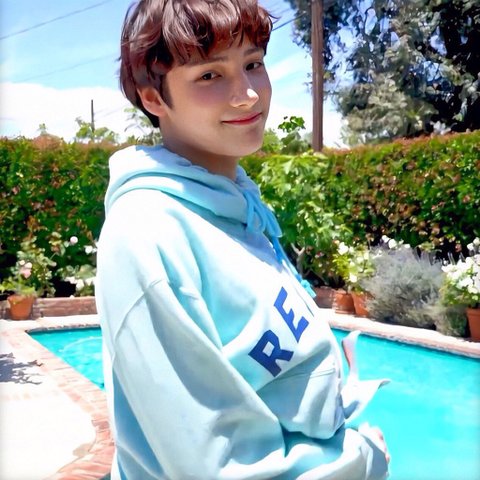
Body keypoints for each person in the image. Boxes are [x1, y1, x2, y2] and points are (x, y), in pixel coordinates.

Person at [96, 1, 390, 478]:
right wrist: (362, 458)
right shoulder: (147, 235)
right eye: (210, 75)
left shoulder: (236, 203)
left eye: (253, 64)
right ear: (154, 99)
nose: (248, 94)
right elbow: (216, 464)